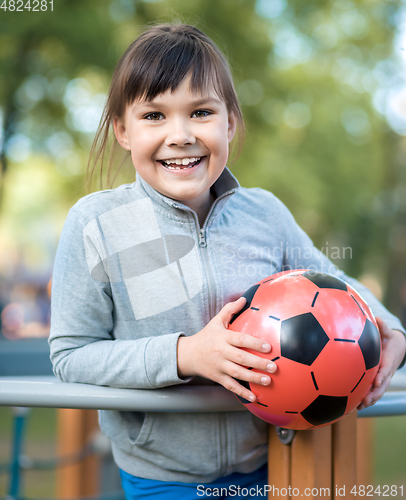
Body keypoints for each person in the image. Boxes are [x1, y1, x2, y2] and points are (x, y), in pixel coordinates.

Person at [49, 23, 406, 499]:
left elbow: (336, 283)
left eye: (200, 112)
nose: (180, 135)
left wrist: (390, 330)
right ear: (122, 131)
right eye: (154, 115)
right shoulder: (96, 224)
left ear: (230, 122)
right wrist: (186, 355)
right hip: (162, 478)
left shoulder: (265, 214)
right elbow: (73, 355)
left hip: (274, 462)